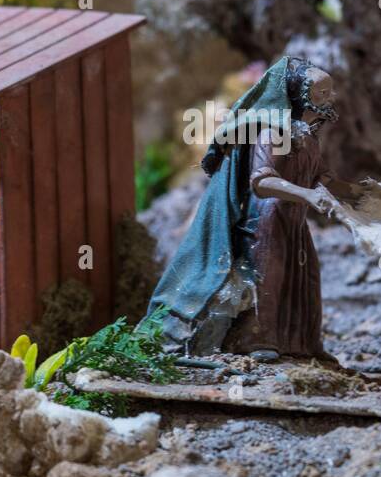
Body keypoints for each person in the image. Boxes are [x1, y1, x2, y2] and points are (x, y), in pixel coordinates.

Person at [147, 56, 362, 361]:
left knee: (305, 280)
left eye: (330, 91)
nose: (331, 98)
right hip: (266, 221)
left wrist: (363, 193)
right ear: (299, 95)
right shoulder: (274, 133)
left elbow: (323, 178)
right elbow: (262, 182)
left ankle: (302, 344)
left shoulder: (307, 138)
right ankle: (254, 340)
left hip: (294, 220)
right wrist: (308, 196)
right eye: (322, 92)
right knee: (268, 278)